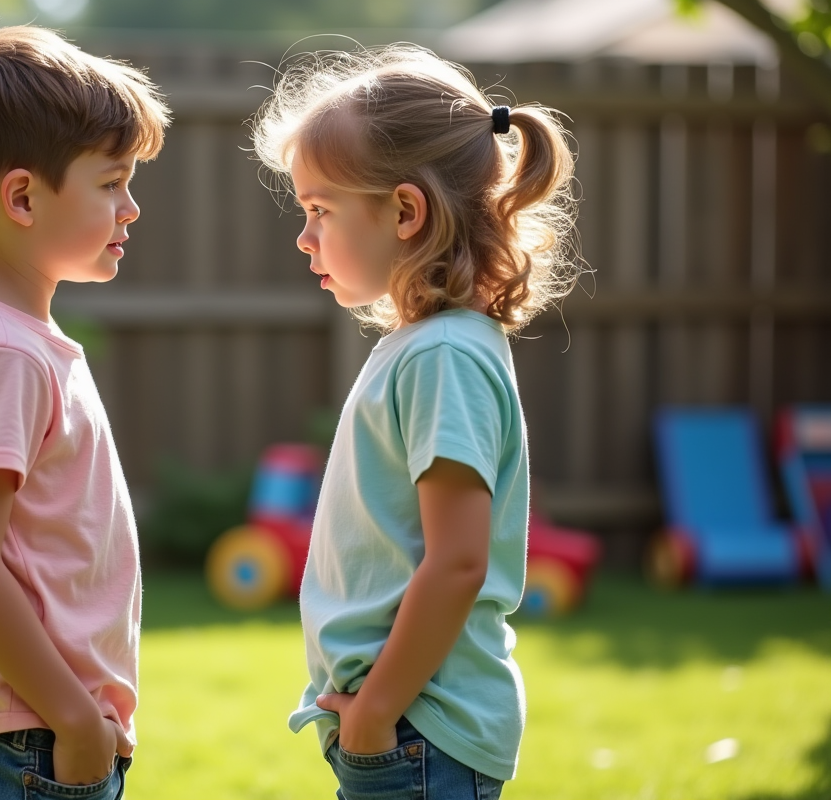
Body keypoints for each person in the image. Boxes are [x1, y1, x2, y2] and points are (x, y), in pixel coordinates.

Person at [252, 44, 579, 799]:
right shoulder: (426, 346)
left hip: (418, 734)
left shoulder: (442, 356)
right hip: (405, 733)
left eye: (319, 211)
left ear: (405, 210)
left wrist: (376, 713)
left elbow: (457, 561)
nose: (304, 237)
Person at [0, 24, 169, 800]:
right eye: (111, 183)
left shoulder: (19, 343)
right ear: (22, 196)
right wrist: (74, 717)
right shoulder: (6, 356)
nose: (132, 208)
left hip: (34, 735)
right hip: (24, 741)